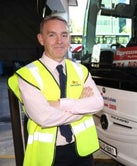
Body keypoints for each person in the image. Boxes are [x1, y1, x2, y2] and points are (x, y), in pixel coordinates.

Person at [8, 15, 104, 166]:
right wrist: (81, 109)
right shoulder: (28, 74)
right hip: (50, 155)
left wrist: (60, 104)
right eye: (52, 35)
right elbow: (44, 118)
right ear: (41, 39)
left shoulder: (80, 70)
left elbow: (98, 103)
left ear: (69, 38)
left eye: (64, 35)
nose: (59, 41)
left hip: (83, 152)